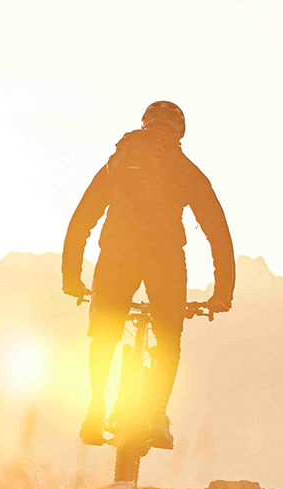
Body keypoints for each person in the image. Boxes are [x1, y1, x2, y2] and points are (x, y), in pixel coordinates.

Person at [60, 100, 234, 449]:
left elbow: (82, 218)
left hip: (116, 257)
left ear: (145, 124)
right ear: (179, 132)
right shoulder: (186, 169)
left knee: (104, 334)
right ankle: (155, 415)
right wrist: (222, 293)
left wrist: (71, 277)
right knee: (168, 337)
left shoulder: (118, 163)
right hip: (164, 262)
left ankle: (95, 409)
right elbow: (217, 232)